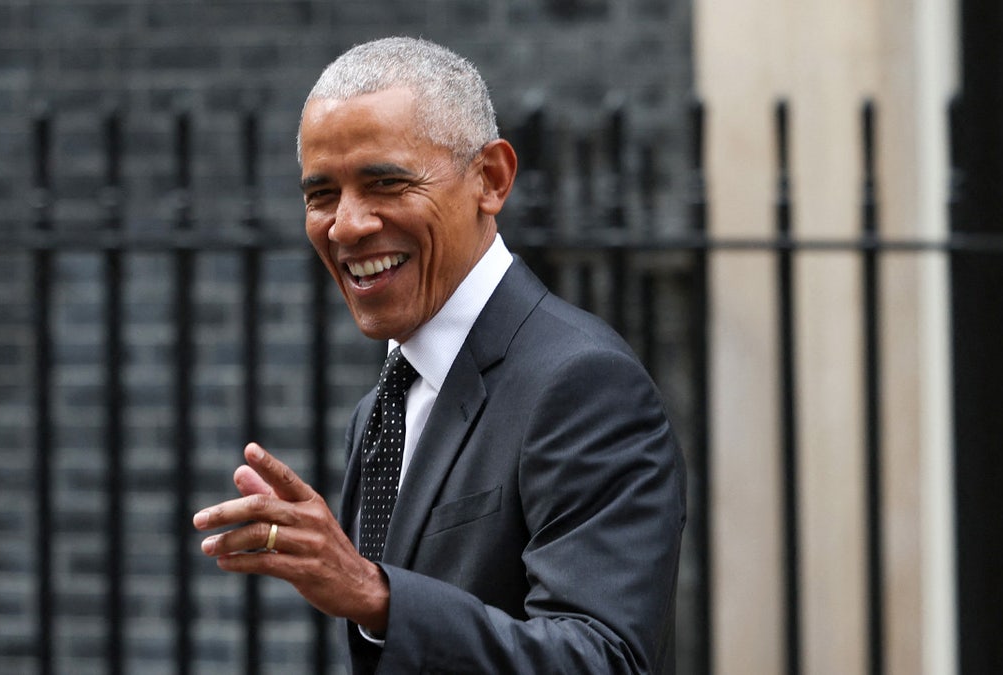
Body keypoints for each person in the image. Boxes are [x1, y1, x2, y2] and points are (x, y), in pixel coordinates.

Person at [193, 36, 686, 674]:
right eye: (320, 195)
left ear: (491, 179)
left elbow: (605, 658)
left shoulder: (583, 382)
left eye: (386, 182)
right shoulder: (384, 406)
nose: (346, 225)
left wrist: (375, 595)